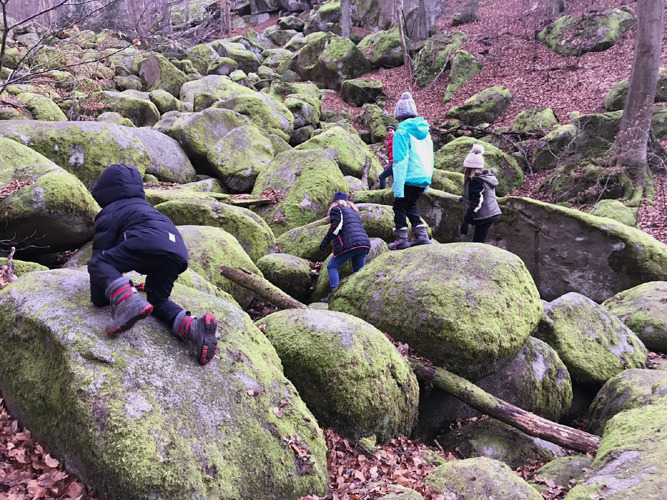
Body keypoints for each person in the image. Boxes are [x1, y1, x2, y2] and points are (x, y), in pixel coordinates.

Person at [87, 163, 218, 365]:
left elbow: (101, 255)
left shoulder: (111, 211)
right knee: (158, 302)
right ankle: (195, 328)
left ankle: (127, 301)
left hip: (145, 242)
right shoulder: (149, 210)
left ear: (106, 190)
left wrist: (101, 296)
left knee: (98, 262)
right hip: (177, 251)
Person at [389, 92, 434, 250]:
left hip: (409, 176)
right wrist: (428, 181)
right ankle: (421, 235)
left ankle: (401, 240)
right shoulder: (426, 133)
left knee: (399, 206)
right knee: (411, 205)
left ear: (398, 117)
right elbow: (430, 157)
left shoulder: (401, 133)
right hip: (423, 176)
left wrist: (398, 186)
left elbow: (400, 161)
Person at [319, 192, 371, 297]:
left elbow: (336, 226)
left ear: (335, 202)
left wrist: (325, 242)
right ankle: (356, 295)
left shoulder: (337, 210)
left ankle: (334, 294)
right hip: (364, 244)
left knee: (332, 266)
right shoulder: (354, 211)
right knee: (357, 272)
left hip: (350, 244)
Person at [460, 143, 502, 243]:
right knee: (478, 240)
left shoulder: (475, 180)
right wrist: (465, 198)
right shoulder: (484, 177)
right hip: (489, 213)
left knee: (478, 242)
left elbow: (477, 201)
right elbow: (483, 193)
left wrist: (466, 220)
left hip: (485, 215)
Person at [378, 124, 396, 189]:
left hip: (395, 161)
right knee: (395, 179)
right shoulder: (388, 139)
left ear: (394, 131)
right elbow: (388, 151)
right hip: (392, 161)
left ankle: (381, 192)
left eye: (391, 130)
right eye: (388, 131)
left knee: (382, 177)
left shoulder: (396, 137)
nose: (390, 132)